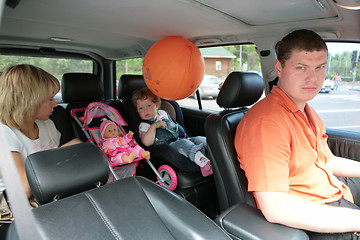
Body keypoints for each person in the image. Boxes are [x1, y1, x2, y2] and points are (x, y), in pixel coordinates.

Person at [234, 29, 360, 239]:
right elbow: (275, 207)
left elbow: (326, 161)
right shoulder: (268, 122)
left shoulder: (305, 110)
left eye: (320, 67)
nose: (313, 77)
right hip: (309, 214)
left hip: (330, 192)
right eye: (301, 67)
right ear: (279, 68)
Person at [0, 64, 82, 201]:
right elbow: (23, 190)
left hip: (49, 195)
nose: (55, 105)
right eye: (50, 98)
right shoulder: (4, 134)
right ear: (27, 101)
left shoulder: (47, 125)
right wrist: (62, 153)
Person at [132, 87, 212, 177]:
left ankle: (215, 155)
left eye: (149, 106)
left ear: (157, 106)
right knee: (184, 143)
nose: (145, 110)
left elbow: (173, 126)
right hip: (169, 146)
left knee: (200, 139)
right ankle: (204, 164)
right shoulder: (145, 125)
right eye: (141, 108)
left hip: (180, 138)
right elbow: (146, 142)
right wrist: (154, 126)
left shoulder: (163, 113)